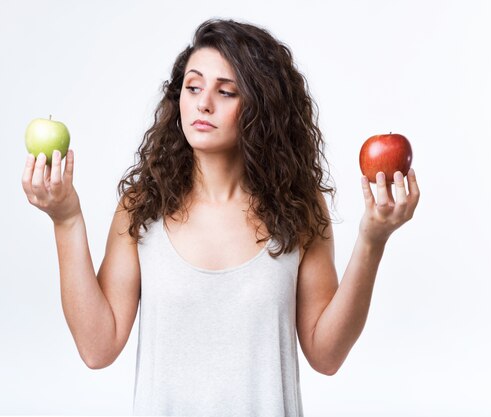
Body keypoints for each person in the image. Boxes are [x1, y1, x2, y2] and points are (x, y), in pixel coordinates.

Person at [21, 18, 419, 417]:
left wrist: (372, 241)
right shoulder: (143, 206)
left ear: (261, 108)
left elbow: (327, 355)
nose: (203, 102)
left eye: (225, 91)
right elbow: (97, 347)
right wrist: (66, 219)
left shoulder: (298, 207)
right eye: (193, 88)